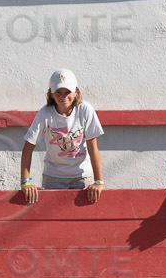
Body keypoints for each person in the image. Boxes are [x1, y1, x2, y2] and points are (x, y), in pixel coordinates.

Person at [20, 69, 105, 205]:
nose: (63, 96)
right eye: (58, 92)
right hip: (54, 177)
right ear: (51, 94)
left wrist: (99, 182)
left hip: (83, 176)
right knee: (52, 221)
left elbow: (92, 147)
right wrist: (25, 183)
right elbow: (28, 147)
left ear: (76, 92)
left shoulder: (85, 110)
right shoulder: (45, 114)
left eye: (67, 92)